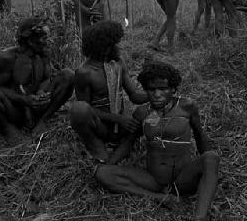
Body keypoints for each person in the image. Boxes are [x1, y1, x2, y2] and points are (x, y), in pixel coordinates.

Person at [94, 61, 220, 221]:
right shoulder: (142, 113)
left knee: (211, 158)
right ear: (146, 90)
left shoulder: (187, 107)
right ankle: (159, 197)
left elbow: (200, 136)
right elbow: (128, 143)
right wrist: (110, 164)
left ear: (173, 89)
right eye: (152, 90)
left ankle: (199, 218)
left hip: (182, 180)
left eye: (163, 89)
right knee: (102, 172)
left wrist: (209, 172)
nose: (157, 94)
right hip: (154, 181)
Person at [0, 17, 74, 144]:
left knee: (68, 75)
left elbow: (45, 79)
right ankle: (8, 128)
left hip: (37, 107)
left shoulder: (43, 53)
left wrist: (41, 93)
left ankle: (43, 121)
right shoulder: (7, 58)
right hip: (14, 109)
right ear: (31, 41)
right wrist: (23, 100)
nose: (48, 41)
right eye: (44, 38)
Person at [69, 20, 148, 162]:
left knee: (143, 113)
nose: (116, 47)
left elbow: (134, 96)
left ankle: (125, 144)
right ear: (102, 47)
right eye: (113, 44)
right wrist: (117, 119)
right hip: (101, 127)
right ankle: (95, 144)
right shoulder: (84, 72)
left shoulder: (117, 63)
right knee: (78, 109)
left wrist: (156, 94)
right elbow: (87, 110)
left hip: (123, 125)